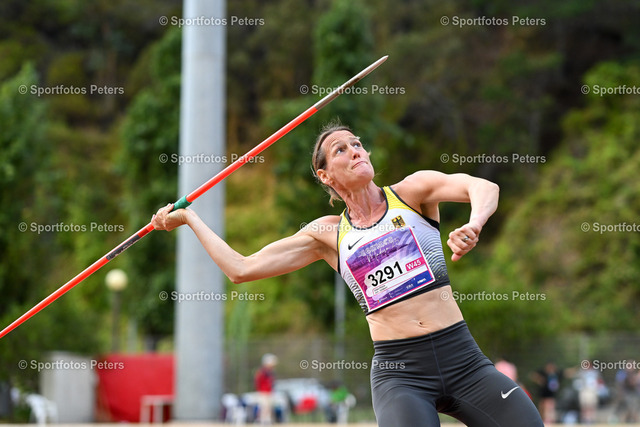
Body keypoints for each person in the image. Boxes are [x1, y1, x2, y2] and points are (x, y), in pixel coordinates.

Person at [152, 124, 544, 426]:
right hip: (401, 373)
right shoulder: (327, 235)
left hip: (463, 359)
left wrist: (475, 223)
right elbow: (241, 269)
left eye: (357, 143)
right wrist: (190, 219)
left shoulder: (412, 193)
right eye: (341, 149)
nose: (355, 150)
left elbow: (483, 186)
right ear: (325, 176)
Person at [254, 353, 278, 424]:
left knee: (268, 408)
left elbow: (272, 383)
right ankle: (261, 421)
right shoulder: (262, 372)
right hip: (263, 392)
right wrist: (260, 390)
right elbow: (258, 381)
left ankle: (267, 421)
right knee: (264, 407)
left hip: (269, 392)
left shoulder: (270, 372)